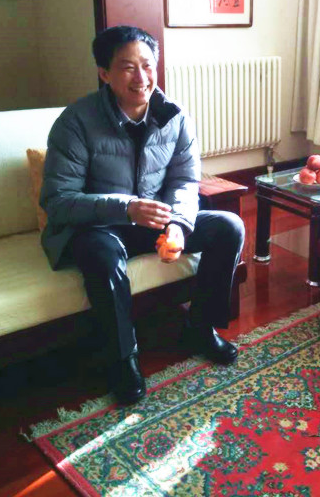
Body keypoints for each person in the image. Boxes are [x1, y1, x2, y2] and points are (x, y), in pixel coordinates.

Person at [40, 26, 244, 405]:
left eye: (148, 65)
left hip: (153, 217)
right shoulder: (76, 122)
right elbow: (58, 200)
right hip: (98, 224)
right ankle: (123, 358)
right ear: (104, 73)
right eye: (127, 67)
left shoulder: (175, 116)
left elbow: (185, 180)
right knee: (101, 256)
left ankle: (200, 328)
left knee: (229, 227)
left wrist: (178, 224)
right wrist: (125, 208)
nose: (141, 77)